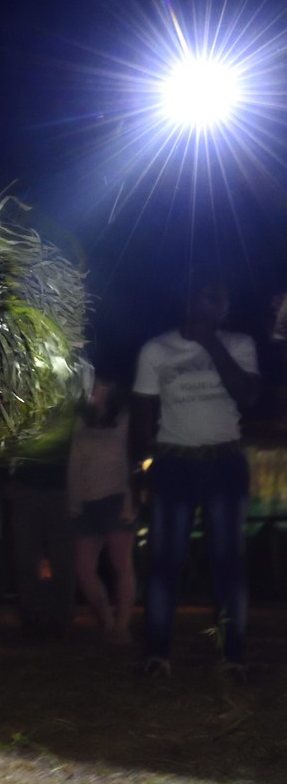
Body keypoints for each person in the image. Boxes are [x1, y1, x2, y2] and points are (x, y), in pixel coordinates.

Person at [131, 280, 259, 677]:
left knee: (229, 562)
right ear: (189, 300)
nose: (219, 304)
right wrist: (140, 472)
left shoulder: (239, 344)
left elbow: (248, 396)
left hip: (225, 462)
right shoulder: (156, 349)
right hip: (175, 464)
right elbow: (141, 416)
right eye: (210, 295)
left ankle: (233, 657)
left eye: (224, 298)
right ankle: (157, 655)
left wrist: (211, 342)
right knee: (165, 561)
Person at [67, 375, 136, 644]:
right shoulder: (82, 421)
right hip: (87, 502)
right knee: (84, 570)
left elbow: (130, 462)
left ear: (109, 388)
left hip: (116, 499)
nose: (91, 390)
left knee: (121, 564)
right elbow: (74, 463)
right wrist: (74, 501)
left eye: (96, 384)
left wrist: (130, 501)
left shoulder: (125, 420)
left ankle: (122, 626)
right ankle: (106, 620)